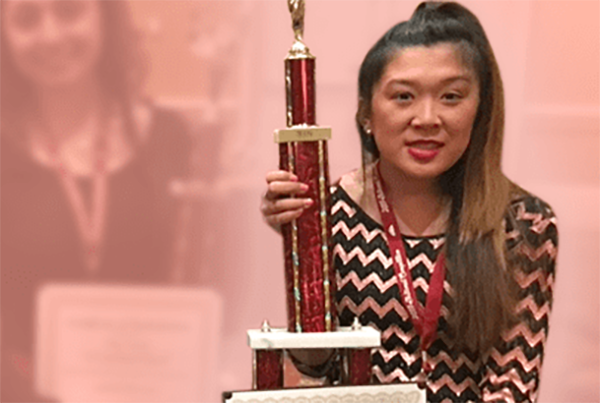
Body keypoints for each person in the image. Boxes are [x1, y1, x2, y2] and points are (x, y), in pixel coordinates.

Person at [261, 2, 558, 402]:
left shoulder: (524, 223)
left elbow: (513, 385)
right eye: (403, 96)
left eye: (451, 96)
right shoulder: (331, 213)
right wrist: (302, 249)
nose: (427, 118)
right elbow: (316, 367)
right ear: (366, 112)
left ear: (480, 109)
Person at [1, 1, 192, 401]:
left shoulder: (172, 142)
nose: (51, 35)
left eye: (69, 11)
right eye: (26, 19)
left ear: (105, 18)